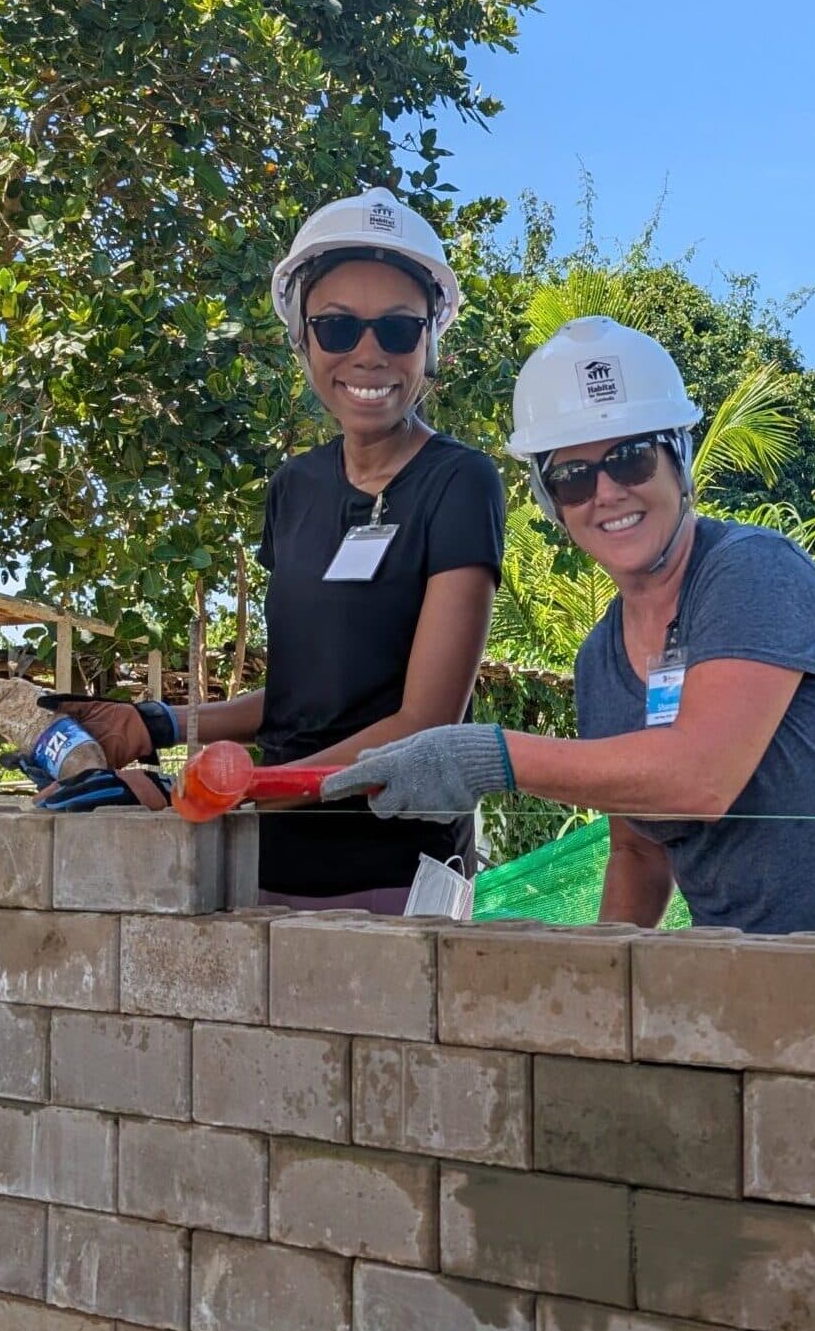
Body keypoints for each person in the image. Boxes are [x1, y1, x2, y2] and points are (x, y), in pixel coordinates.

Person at [324, 317, 815, 943]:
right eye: (574, 476)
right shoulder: (600, 661)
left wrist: (486, 757)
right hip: (760, 977)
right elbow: (640, 850)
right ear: (554, 503)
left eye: (632, 457)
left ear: (679, 459)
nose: (606, 492)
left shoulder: (751, 571)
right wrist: (610, 971)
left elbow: (702, 778)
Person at [40, 188, 505, 912]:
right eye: (338, 327)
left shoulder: (458, 482)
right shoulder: (296, 487)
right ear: (303, 338)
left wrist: (247, 790)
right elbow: (299, 698)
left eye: (398, 329)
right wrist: (163, 722)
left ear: (431, 340)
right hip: (267, 862)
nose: (368, 353)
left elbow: (425, 724)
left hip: (393, 871)